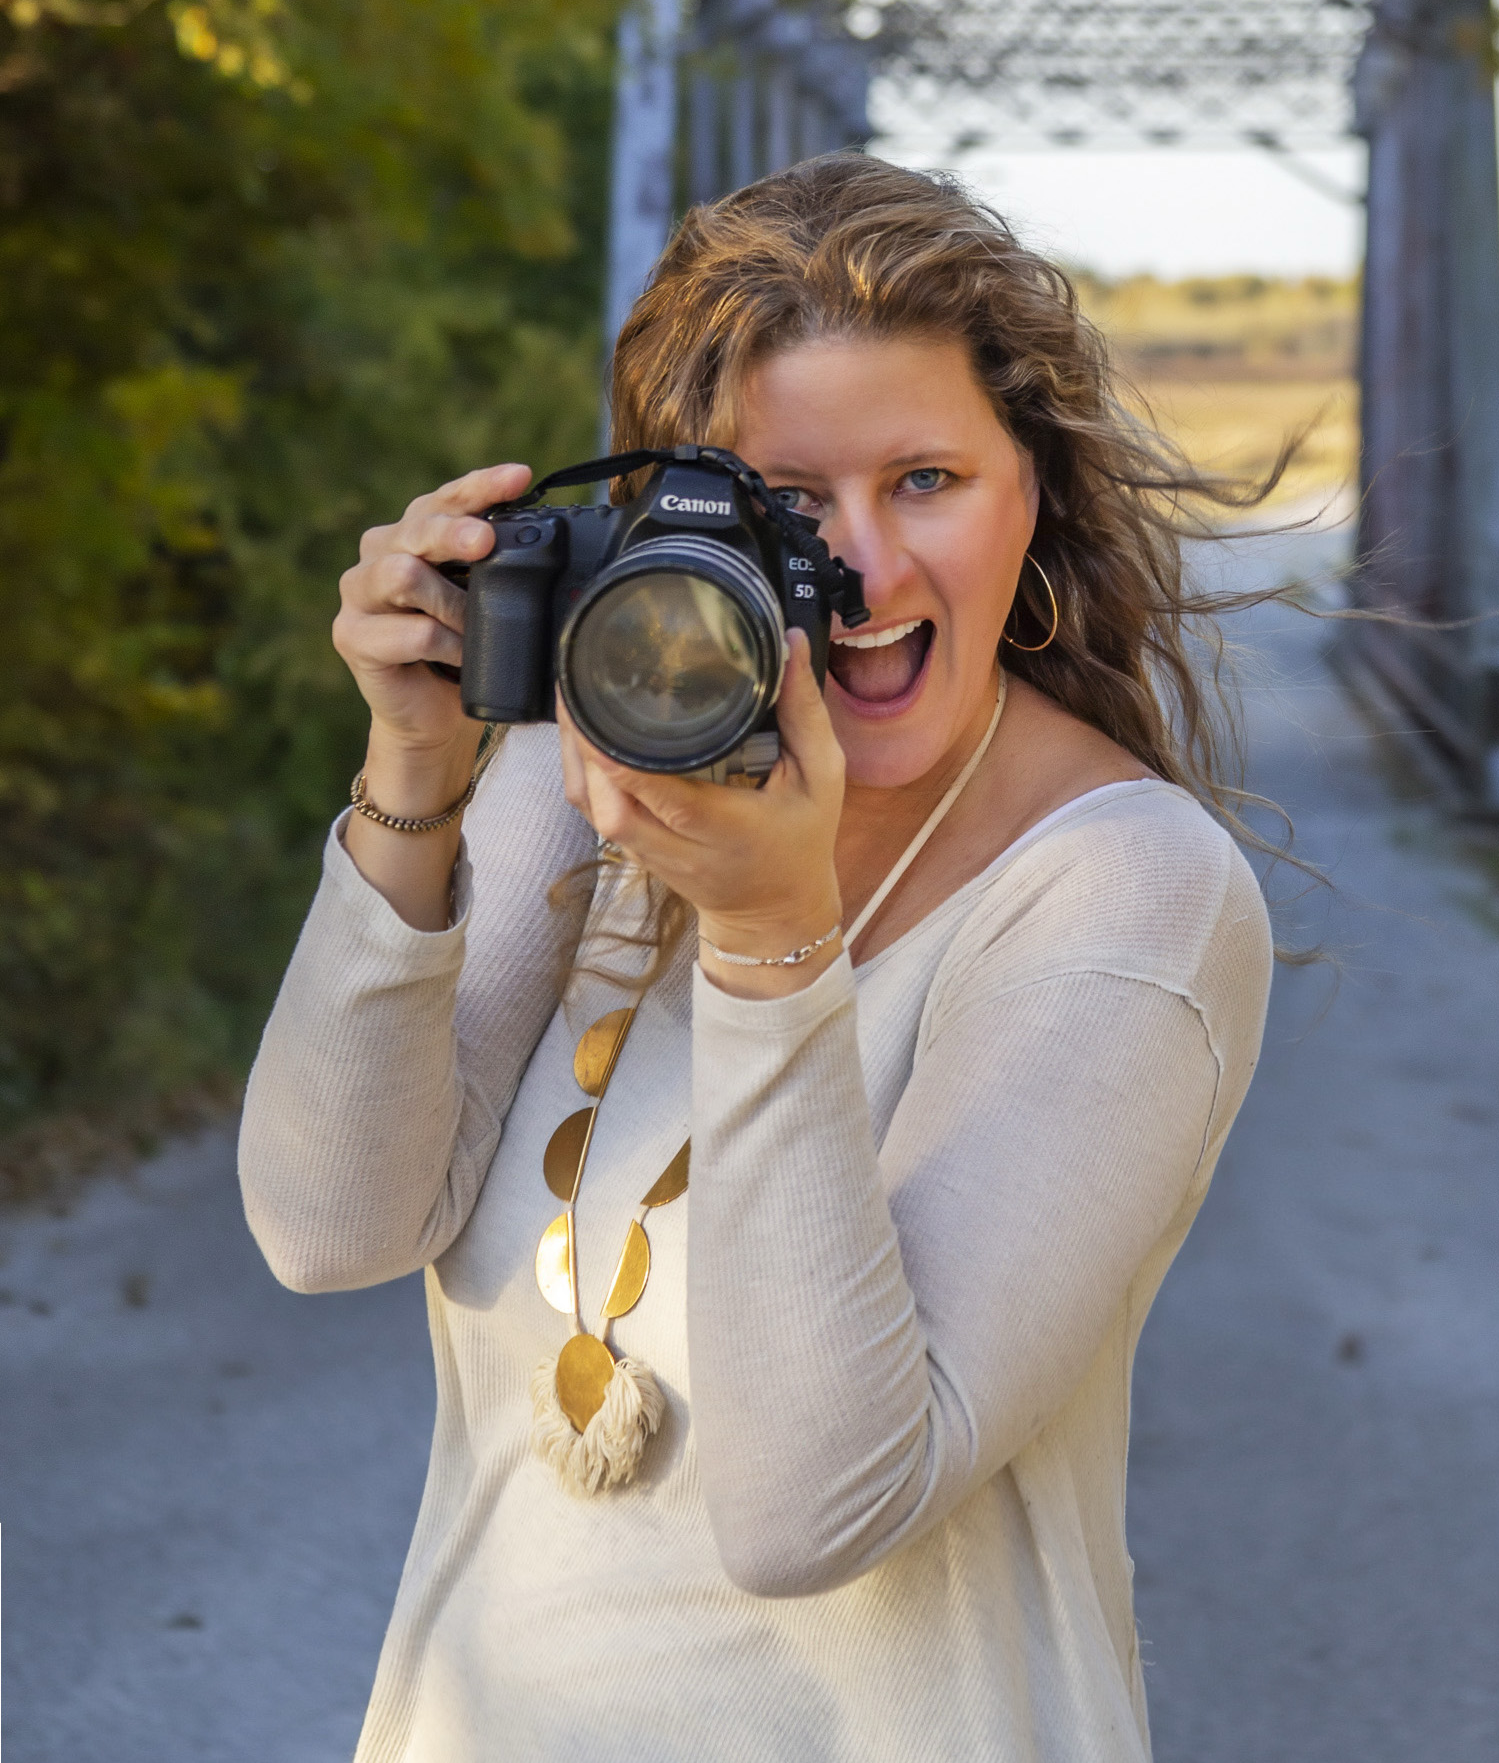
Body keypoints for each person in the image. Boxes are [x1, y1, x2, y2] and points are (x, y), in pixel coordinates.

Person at [239, 153, 1274, 1762]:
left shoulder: (1129, 894)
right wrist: (415, 781)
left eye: (924, 479)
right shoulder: (584, 789)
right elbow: (328, 1224)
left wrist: (770, 941)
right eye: (788, 507)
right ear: (661, 530)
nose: (855, 566)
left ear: (1035, 497)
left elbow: (816, 1506)